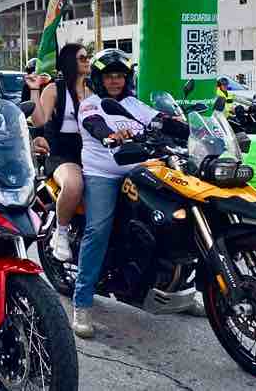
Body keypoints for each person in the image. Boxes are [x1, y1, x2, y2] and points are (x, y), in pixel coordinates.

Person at [72, 49, 189, 339]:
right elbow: (94, 125)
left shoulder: (134, 105)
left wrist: (187, 126)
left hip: (140, 169)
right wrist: (110, 136)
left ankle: (182, 290)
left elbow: (160, 120)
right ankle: (82, 303)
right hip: (104, 174)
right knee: (97, 230)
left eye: (120, 76)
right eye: (109, 76)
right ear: (98, 79)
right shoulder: (90, 105)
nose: (115, 81)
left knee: (179, 217)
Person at [28, 43, 90, 261]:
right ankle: (60, 234)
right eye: (82, 58)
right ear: (69, 61)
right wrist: (34, 89)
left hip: (93, 153)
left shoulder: (94, 89)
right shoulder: (55, 89)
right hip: (62, 153)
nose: (87, 61)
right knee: (74, 184)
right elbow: (39, 121)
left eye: (87, 57)